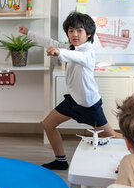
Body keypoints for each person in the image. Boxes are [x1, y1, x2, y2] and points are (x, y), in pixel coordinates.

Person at [19, 12, 121, 170]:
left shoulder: (88, 51)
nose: (74, 34)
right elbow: (50, 42)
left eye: (79, 31)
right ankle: (60, 161)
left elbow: (76, 57)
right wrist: (28, 33)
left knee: (111, 136)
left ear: (88, 34)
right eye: (71, 30)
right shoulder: (70, 47)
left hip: (88, 105)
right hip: (73, 101)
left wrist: (59, 52)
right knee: (48, 124)